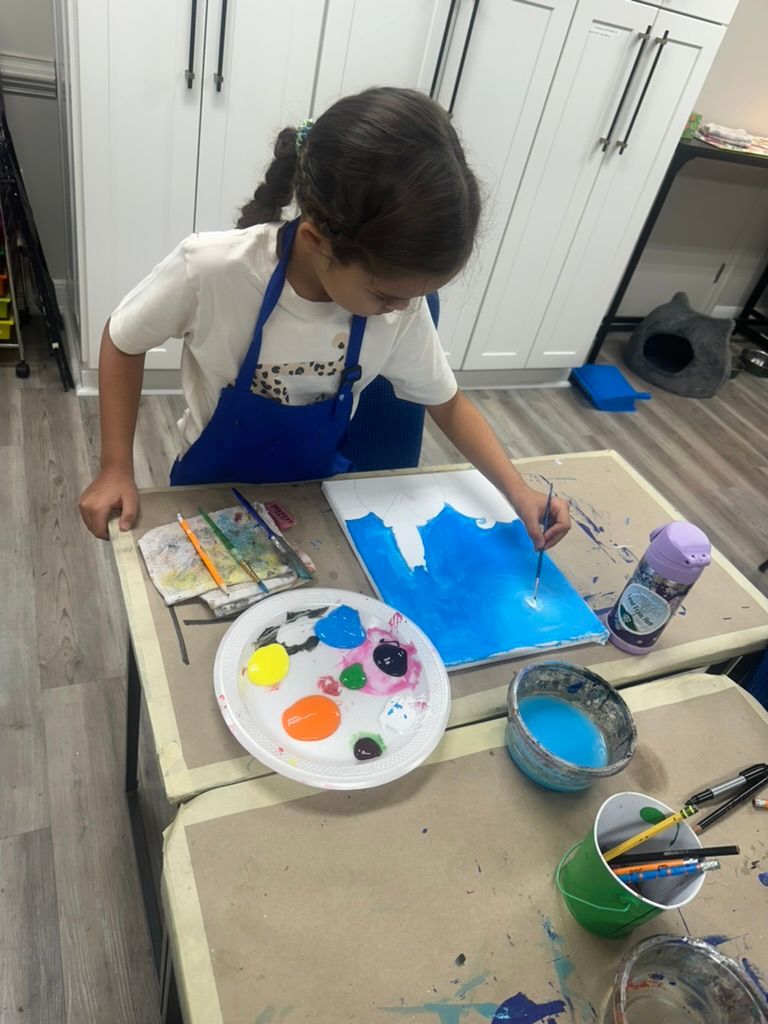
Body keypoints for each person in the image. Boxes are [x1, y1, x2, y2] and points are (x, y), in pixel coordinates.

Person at [79, 87, 570, 548]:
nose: (400, 309)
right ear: (317, 242)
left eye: (414, 297)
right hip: (208, 490)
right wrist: (115, 467)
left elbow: (448, 403)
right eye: (385, 295)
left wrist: (517, 490)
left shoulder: (400, 309)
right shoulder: (214, 270)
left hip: (315, 496)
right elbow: (123, 340)